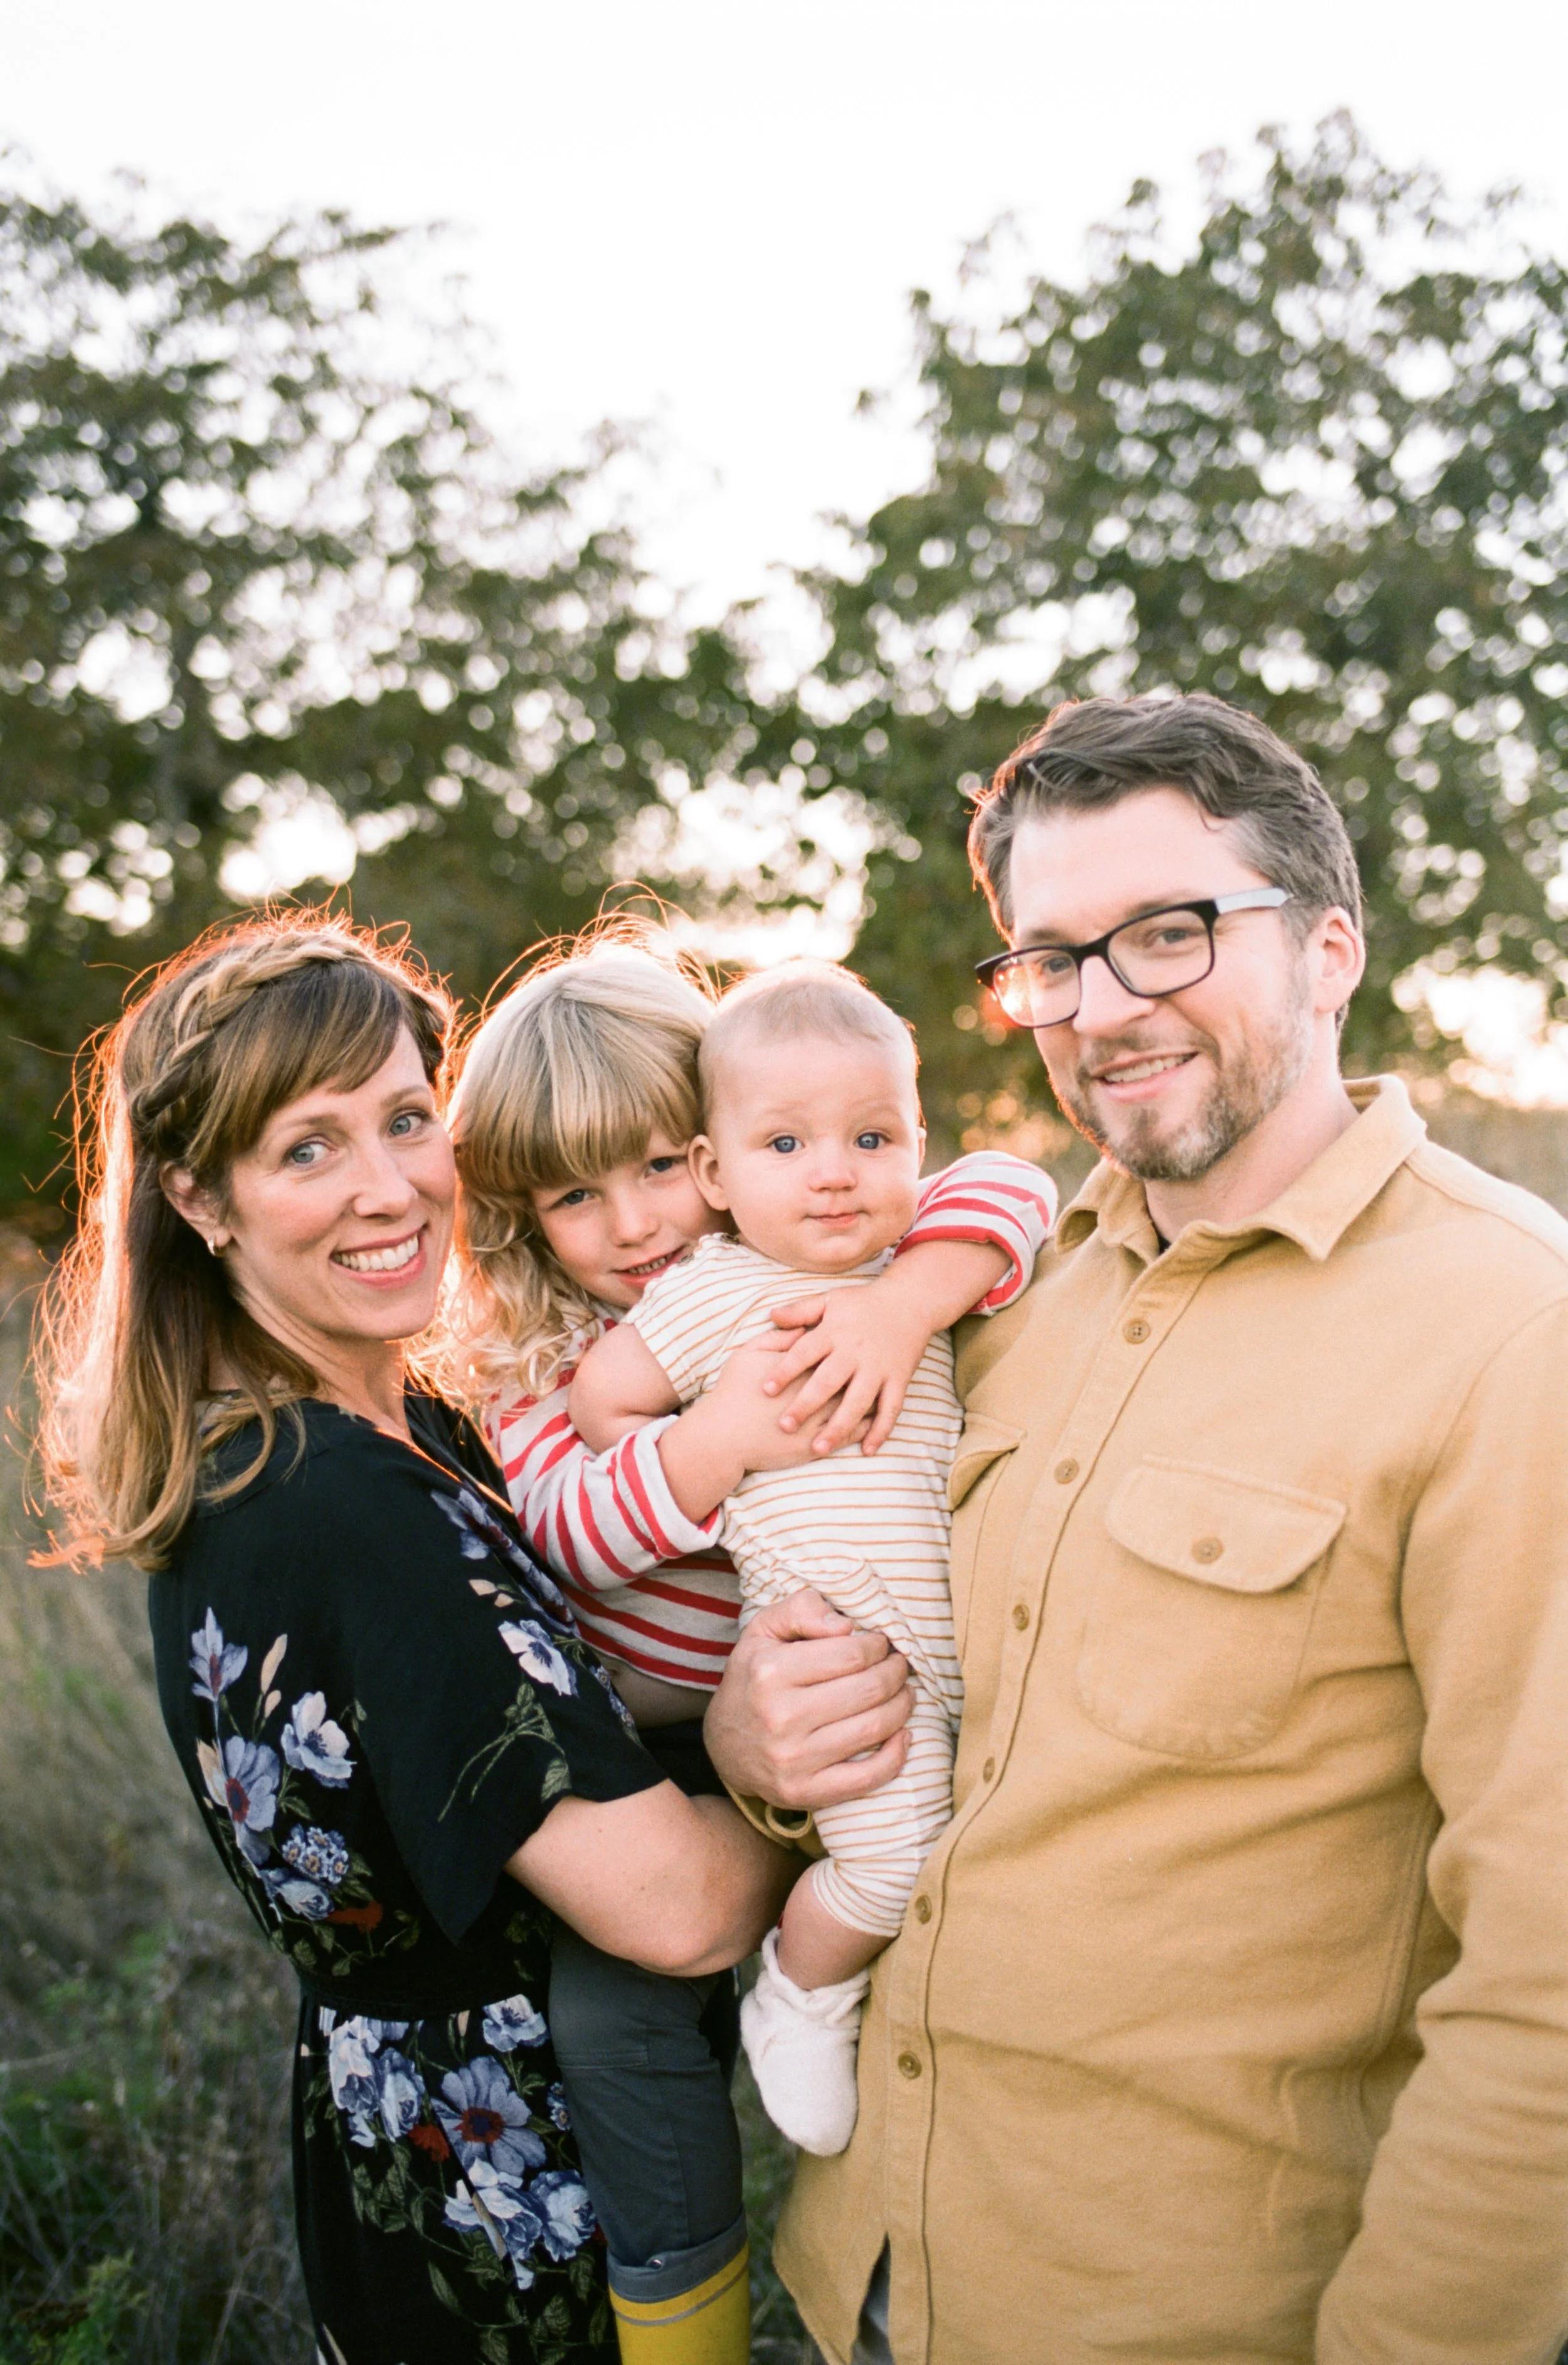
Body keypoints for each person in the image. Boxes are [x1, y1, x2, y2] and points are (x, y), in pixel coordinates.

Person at [703, 693, 1568, 2365]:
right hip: (854, 2272)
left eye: (1166, 935)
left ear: (1327, 950)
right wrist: (757, 1737)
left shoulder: (1510, 1330)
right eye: (1050, 957)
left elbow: (1548, 1977)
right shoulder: (993, 1303)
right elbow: (912, 1712)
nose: (1100, 1009)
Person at [33, 914, 797, 2365]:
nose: (387, 1188)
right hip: (512, 2197)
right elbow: (680, 1910)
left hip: (410, 2141)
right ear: (203, 1201)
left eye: (401, 1119)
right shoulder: (339, 1504)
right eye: (306, 1148)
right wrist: (769, 1768)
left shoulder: (399, 1433)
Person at [438, 933, 1054, 2343]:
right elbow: (571, 1528)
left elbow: (1005, 1181)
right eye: (575, 1195)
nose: (637, 1219)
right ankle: (685, 2315)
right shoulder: (536, 1368)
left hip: (863, 1702)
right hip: (671, 1763)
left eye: (662, 1161)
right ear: (526, 1218)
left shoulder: (820, 1242)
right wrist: (718, 1439)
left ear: (722, 1145)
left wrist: (904, 1298)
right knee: (616, 2022)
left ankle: (937, 2261)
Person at [571, 961, 1029, 2157]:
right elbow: (602, 1399)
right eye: (785, 1143)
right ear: (717, 1176)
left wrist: (901, 1307)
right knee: (891, 1865)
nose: (834, 1170)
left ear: (917, 1142)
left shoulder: (920, 1264)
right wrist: (711, 1472)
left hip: (955, 1637)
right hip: (836, 1644)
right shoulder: (717, 1294)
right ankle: (804, 1988)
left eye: (872, 1136)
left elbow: (1018, 1186)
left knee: (974, 1852)